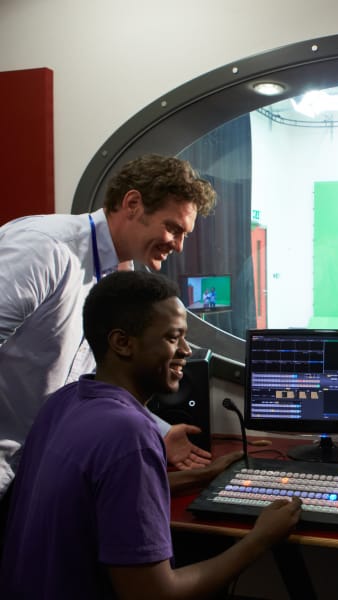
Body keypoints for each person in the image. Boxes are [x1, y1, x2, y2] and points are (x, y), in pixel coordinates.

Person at [0, 270, 302, 598]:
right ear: (122, 343)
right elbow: (153, 594)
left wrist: (202, 475)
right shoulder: (129, 432)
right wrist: (260, 539)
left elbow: (100, 490)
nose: (187, 350)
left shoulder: (64, 400)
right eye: (173, 338)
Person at [0, 154, 219, 501]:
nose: (178, 245)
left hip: (34, 473)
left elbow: (94, 384)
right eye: (173, 228)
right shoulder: (43, 248)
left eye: (184, 234)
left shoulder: (120, 276)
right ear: (132, 204)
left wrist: (159, 430)